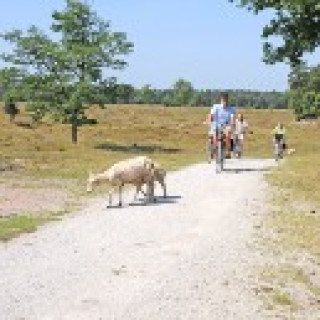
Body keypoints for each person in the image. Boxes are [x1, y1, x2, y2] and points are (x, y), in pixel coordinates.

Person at [204, 92, 236, 159]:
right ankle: (214, 150)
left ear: (228, 100)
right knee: (214, 135)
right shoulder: (216, 107)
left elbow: (232, 118)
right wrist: (209, 121)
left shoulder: (231, 109)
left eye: (226, 100)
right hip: (216, 125)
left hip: (225, 126)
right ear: (221, 100)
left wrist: (232, 124)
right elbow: (211, 115)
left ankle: (228, 151)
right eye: (223, 100)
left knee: (228, 134)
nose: (224, 101)